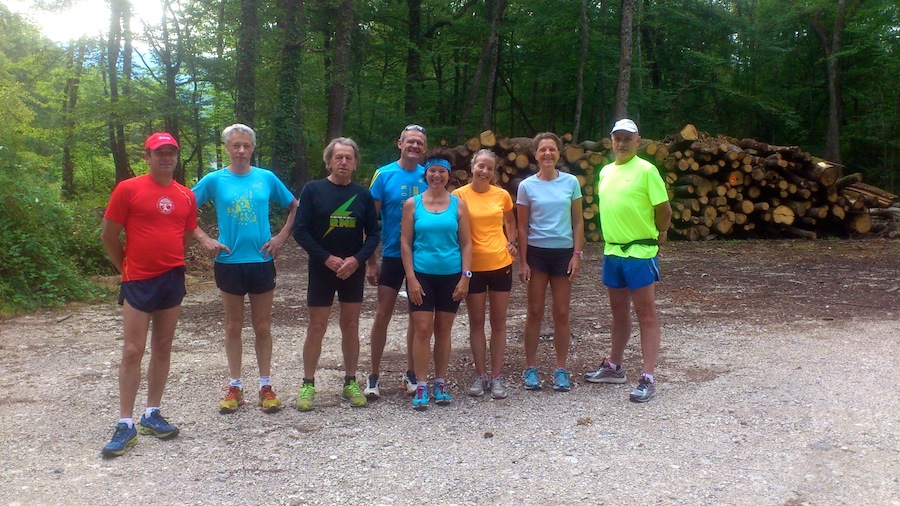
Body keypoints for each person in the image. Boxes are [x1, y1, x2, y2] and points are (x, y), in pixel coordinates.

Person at [100, 132, 198, 458]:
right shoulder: (128, 189)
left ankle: (151, 413)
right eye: (159, 153)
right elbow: (109, 235)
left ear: (176, 156)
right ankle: (125, 423)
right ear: (148, 156)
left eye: (171, 152)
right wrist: (125, 267)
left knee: (163, 346)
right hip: (138, 280)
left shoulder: (185, 195)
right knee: (132, 350)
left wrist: (173, 262)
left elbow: (185, 237)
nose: (166, 157)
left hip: (172, 279)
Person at [192, 124, 298, 414]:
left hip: (261, 261)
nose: (241, 150)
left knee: (262, 326)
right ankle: (235, 386)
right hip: (228, 262)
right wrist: (204, 238)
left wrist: (281, 237)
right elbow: (184, 207)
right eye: (236, 145)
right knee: (233, 326)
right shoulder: (215, 180)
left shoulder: (266, 178)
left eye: (246, 146)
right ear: (226, 147)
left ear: (253, 148)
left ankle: (265, 385)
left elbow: (294, 206)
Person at [585, 119, 672, 403]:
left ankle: (648, 376)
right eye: (617, 138)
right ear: (611, 141)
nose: (621, 143)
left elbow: (663, 209)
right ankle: (615, 365)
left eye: (627, 138)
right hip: (613, 252)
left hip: (640, 252)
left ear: (638, 141)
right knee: (619, 313)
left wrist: (659, 237)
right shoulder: (605, 171)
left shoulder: (648, 171)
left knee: (646, 314)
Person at [293, 138, 380, 411]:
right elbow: (301, 230)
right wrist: (326, 258)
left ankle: (350, 381)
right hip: (322, 269)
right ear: (329, 160)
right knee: (316, 326)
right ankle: (308, 383)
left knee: (350, 325)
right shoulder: (313, 190)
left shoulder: (362, 194)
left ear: (355, 164)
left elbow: (374, 233)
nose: (343, 162)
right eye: (339, 157)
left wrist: (358, 260)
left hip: (351, 270)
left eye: (349, 158)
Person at [401, 149, 472, 410]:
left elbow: (466, 244)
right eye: (432, 170)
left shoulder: (458, 204)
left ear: (448, 175)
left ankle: (440, 382)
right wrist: (411, 278)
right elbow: (406, 243)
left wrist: (465, 277)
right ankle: (421, 384)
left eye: (442, 171)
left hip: (451, 275)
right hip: (421, 275)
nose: (436, 175)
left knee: (443, 330)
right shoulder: (413, 204)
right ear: (425, 173)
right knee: (422, 329)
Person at [363, 124, 429, 399]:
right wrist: (370, 261)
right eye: (410, 141)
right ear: (399, 143)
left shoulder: (431, 176)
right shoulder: (384, 174)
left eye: (419, 143)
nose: (414, 146)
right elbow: (369, 220)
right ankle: (374, 374)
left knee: (418, 316)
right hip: (391, 254)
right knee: (383, 313)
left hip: (424, 256)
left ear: (424, 148)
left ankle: (411, 372)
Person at [516, 132, 584, 392]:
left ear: (559, 153)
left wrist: (577, 255)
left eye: (552, 149)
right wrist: (522, 261)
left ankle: (561, 369)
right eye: (542, 149)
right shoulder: (526, 186)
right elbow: (522, 227)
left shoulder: (571, 183)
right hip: (536, 254)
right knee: (534, 312)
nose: (547, 154)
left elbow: (578, 221)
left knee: (562, 313)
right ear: (535, 154)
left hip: (563, 254)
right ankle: (530, 368)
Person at [452, 149, 517, 399]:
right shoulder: (458, 196)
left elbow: (510, 221)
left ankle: (497, 377)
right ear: (472, 167)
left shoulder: (501, 195)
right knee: (476, 323)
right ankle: (480, 376)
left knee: (498, 323)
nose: (485, 171)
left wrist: (512, 241)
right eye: (481, 166)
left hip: (501, 264)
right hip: (473, 267)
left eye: (490, 168)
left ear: (494, 172)